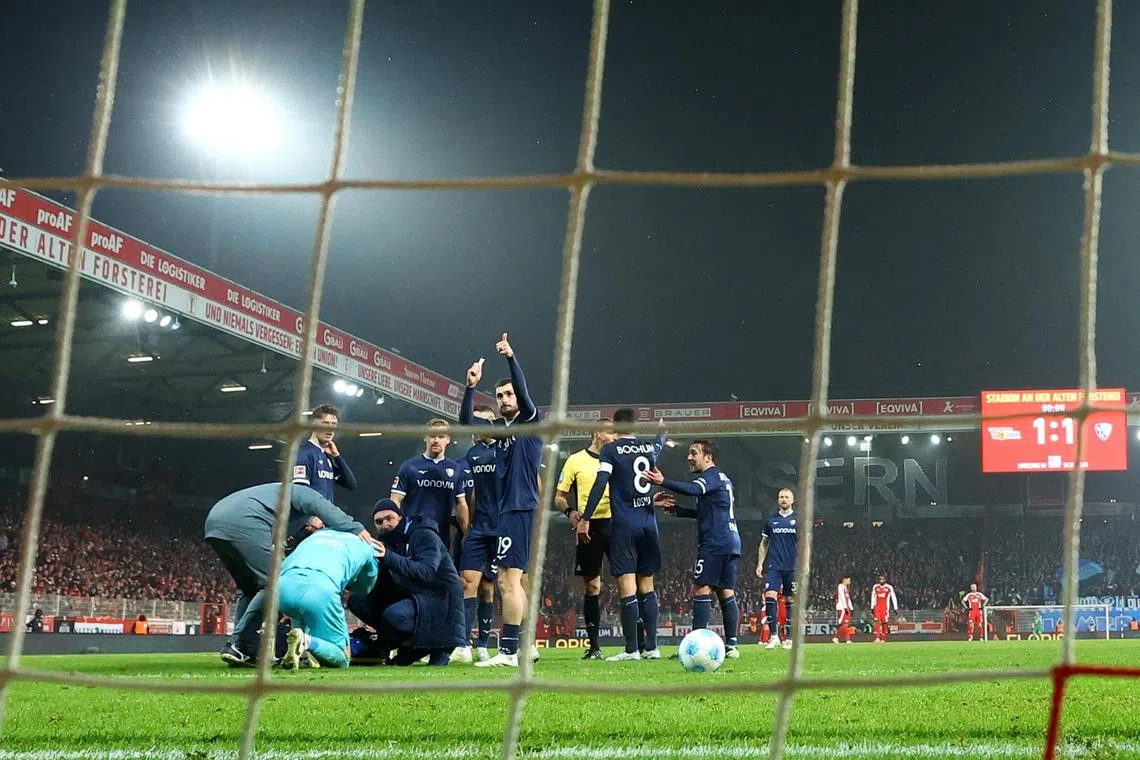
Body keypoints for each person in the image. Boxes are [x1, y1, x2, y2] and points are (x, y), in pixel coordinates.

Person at [203, 482, 371, 666]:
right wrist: (357, 529)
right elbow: (325, 509)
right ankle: (237, 643)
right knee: (275, 583)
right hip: (244, 521)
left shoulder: (274, 498)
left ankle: (244, 649)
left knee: (249, 588)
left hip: (214, 523)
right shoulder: (303, 492)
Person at [460, 333, 543, 668]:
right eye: (499, 395)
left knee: (509, 579)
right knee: (511, 579)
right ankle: (522, 646)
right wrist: (469, 387)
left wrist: (511, 356)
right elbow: (466, 423)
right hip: (510, 510)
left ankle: (509, 651)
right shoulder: (500, 431)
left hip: (519, 507)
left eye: (509, 394)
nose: (505, 399)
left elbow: (524, 392)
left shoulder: (528, 422)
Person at [577, 409, 667, 661]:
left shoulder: (611, 451)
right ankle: (652, 647)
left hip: (624, 525)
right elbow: (659, 445)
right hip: (649, 525)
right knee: (647, 586)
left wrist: (585, 517)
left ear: (616, 427)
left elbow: (600, 482)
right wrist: (662, 431)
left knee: (627, 586)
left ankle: (631, 650)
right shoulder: (648, 449)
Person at [645, 439, 742, 658]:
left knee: (701, 588)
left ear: (708, 457)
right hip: (731, 540)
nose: (689, 457)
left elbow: (692, 490)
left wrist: (663, 481)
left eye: (693, 453)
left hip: (715, 542)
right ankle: (732, 646)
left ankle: (695, 646)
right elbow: (710, 512)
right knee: (726, 591)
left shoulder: (709, 477)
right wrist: (680, 511)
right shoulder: (722, 479)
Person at [347, 499, 466, 666]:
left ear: (401, 518)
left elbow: (427, 572)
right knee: (356, 600)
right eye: (379, 522)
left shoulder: (424, 534)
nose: (385, 524)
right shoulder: (386, 544)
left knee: (395, 617)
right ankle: (391, 645)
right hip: (413, 598)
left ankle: (435, 648)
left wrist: (388, 556)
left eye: (389, 518)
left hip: (440, 602)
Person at [555, 419, 617, 660]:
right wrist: (570, 512)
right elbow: (559, 496)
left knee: (626, 581)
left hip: (615, 523)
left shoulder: (617, 458)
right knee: (592, 586)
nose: (614, 436)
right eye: (610, 432)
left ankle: (636, 646)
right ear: (597, 433)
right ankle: (594, 647)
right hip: (589, 526)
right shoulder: (576, 460)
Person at [278, 528, 379, 669]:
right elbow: (365, 588)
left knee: (300, 611)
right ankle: (306, 642)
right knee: (343, 658)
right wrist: (349, 587)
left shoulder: (315, 536)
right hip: (321, 590)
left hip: (281, 586)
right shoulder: (367, 544)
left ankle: (302, 656)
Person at [454, 405, 501, 664]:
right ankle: (463, 644)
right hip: (477, 528)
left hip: (501, 528)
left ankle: (483, 644)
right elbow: (468, 498)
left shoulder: (506, 450)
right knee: (467, 582)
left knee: (487, 586)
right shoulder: (471, 456)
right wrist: (468, 528)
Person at [390, 418, 469, 548]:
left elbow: (461, 504)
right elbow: (395, 499)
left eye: (441, 436)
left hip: (442, 537)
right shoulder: (409, 466)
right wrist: (395, 529)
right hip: (412, 534)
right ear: (425, 437)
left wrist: (467, 534)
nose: (436, 440)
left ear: (448, 439)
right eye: (432, 436)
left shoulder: (456, 470)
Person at [756, 487, 799, 650]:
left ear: (792, 500)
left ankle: (788, 637)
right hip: (774, 565)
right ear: (778, 500)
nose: (784, 499)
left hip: (792, 566)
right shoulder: (771, 520)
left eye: (787, 497)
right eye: (781, 497)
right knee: (770, 596)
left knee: (790, 600)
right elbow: (763, 544)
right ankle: (774, 636)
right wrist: (760, 563)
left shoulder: (798, 520)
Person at [293, 403, 357, 503]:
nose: (330, 429)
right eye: (325, 423)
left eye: (334, 424)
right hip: (310, 517)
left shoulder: (327, 457)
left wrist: (337, 457)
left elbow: (351, 484)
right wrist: (311, 518)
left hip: (325, 516)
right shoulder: (303, 453)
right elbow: (301, 492)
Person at [872, 574, 898, 643]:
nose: (881, 580)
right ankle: (877, 637)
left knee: (884, 622)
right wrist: (872, 607)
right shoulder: (875, 587)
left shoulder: (889, 587)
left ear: (885, 579)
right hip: (877, 607)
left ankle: (883, 638)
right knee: (877, 621)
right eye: (880, 579)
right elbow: (873, 596)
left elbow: (893, 597)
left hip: (885, 608)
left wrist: (895, 607)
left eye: (882, 579)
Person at [833, 576, 854, 644]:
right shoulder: (840, 586)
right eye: (849, 580)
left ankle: (837, 638)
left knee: (846, 624)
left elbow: (848, 599)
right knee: (845, 624)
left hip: (846, 608)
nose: (850, 582)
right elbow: (842, 597)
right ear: (845, 580)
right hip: (841, 608)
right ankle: (846, 639)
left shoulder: (846, 588)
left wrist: (851, 607)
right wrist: (845, 607)